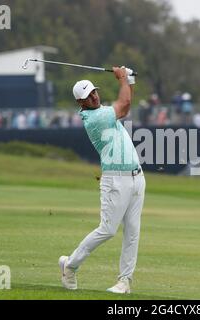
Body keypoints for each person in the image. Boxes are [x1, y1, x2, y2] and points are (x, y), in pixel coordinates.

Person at [58, 67, 145, 294]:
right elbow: (124, 105)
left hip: (137, 177)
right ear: (81, 102)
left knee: (133, 232)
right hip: (115, 180)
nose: (94, 96)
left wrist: (130, 78)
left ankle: (124, 281)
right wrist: (123, 79)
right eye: (89, 95)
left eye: (94, 92)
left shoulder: (104, 111)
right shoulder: (94, 118)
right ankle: (70, 265)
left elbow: (126, 103)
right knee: (107, 230)